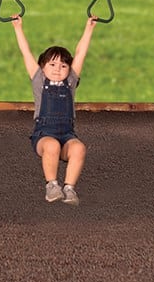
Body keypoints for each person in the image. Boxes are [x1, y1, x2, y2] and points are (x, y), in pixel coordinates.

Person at [11, 13, 99, 206]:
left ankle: (69, 188)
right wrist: (18, 28)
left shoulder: (70, 82)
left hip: (67, 134)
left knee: (79, 148)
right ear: (42, 67)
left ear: (69, 69)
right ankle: (52, 185)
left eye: (63, 65)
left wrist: (89, 28)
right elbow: (26, 53)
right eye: (52, 64)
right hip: (44, 134)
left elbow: (81, 53)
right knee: (52, 146)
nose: (58, 69)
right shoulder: (39, 80)